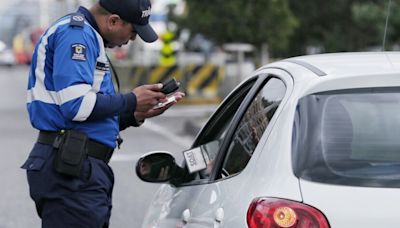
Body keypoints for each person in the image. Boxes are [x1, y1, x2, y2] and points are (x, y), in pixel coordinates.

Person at [20, 0, 184, 227]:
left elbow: (88, 115)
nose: (133, 39)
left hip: (77, 166)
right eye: (134, 31)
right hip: (71, 169)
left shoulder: (89, 37)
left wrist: (135, 113)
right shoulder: (76, 35)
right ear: (113, 21)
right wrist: (131, 100)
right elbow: (76, 105)